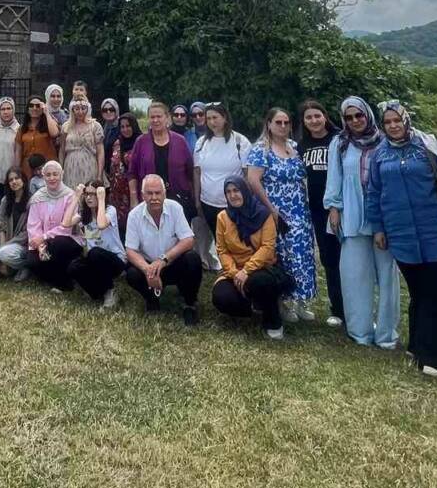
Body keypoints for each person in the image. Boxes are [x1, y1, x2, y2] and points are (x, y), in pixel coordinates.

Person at [365, 101, 437, 378]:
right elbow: (374, 193)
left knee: (436, 294)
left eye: (397, 121)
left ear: (406, 120)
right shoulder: (379, 155)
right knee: (418, 293)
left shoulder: (429, 147)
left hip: (434, 231)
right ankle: (418, 345)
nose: (393, 126)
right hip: (400, 234)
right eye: (387, 123)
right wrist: (378, 228)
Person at [323, 96, 398, 347]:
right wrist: (334, 208)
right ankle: (360, 332)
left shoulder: (386, 141)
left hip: (383, 216)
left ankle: (387, 334)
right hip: (352, 215)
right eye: (349, 117)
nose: (355, 121)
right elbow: (335, 177)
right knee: (354, 276)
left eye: (359, 115)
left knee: (387, 276)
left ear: (368, 115)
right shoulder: (340, 143)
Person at [246, 108, 318, 324]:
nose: (283, 126)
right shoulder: (261, 149)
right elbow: (253, 180)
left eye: (287, 122)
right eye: (278, 122)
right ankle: (283, 301)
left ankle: (301, 300)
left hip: (300, 210)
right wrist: (271, 209)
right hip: (276, 211)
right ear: (268, 124)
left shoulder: (295, 147)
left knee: (303, 254)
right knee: (283, 255)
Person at [211, 177, 290, 339]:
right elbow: (222, 250)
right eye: (228, 192)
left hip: (262, 268)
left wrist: (246, 271)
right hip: (234, 271)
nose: (233, 195)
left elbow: (268, 247)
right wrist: (234, 273)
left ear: (245, 191)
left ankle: (273, 320)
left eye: (236, 190)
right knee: (221, 298)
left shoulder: (263, 214)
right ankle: (255, 306)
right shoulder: (223, 218)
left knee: (259, 282)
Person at [123, 175, 201, 325]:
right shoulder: (134, 216)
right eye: (149, 193)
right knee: (132, 274)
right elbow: (130, 250)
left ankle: (189, 303)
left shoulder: (175, 208)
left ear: (164, 193)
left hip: (171, 263)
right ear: (142, 195)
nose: (154, 198)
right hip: (150, 266)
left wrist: (164, 260)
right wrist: (148, 270)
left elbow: (188, 240)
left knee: (193, 259)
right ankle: (151, 298)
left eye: (158, 193)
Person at [299, 99, 344, 328]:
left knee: (351, 259)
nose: (314, 120)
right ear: (304, 122)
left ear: (325, 116)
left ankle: (356, 308)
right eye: (309, 117)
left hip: (344, 209)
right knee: (329, 259)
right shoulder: (302, 146)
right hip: (317, 211)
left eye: (317, 115)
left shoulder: (339, 140)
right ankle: (338, 308)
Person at [192, 103, 253, 247]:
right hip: (208, 203)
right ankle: (226, 267)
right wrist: (197, 200)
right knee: (219, 241)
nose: (212, 122)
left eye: (215, 117)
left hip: (234, 203)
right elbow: (197, 172)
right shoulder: (201, 143)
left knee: (238, 241)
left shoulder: (240, 141)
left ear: (225, 118)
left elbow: (247, 174)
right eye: (209, 118)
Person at [65, 181, 127, 309]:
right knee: (73, 267)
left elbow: (101, 224)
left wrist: (102, 199)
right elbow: (65, 223)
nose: (89, 197)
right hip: (94, 260)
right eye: (87, 194)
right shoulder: (84, 214)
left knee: (95, 253)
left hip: (115, 260)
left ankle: (110, 291)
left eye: (93, 194)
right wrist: (76, 197)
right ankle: (97, 292)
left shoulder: (110, 210)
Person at [25, 161, 83, 292]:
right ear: (43, 176)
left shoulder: (70, 196)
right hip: (43, 242)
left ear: (62, 175)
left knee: (58, 244)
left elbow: (66, 228)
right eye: (48, 175)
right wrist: (40, 245)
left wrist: (44, 237)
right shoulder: (38, 197)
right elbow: (33, 224)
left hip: (67, 240)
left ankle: (63, 282)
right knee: (31, 262)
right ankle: (54, 276)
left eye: (55, 174)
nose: (52, 178)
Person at [127, 102, 195, 212]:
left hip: (178, 199)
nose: (155, 120)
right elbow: (132, 173)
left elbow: (190, 172)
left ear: (167, 118)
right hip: (150, 200)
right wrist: (134, 198)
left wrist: (193, 199)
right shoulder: (141, 142)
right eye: (152, 117)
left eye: (159, 116)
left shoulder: (180, 141)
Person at [0, 168, 31, 279]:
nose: (14, 182)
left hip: (23, 244)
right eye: (10, 180)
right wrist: (3, 245)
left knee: (3, 254)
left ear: (24, 180)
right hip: (5, 241)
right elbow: (0, 222)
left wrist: (4, 248)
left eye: (17, 178)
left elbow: (27, 232)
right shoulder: (5, 200)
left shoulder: (32, 201)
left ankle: (26, 266)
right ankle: (10, 265)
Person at [105, 112, 140, 240]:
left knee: (134, 221)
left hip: (133, 190)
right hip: (117, 192)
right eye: (122, 126)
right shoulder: (117, 143)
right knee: (119, 225)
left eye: (128, 126)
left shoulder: (140, 142)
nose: (125, 129)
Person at [60, 98, 105, 189]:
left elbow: (100, 152)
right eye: (77, 109)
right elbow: (62, 150)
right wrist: (60, 171)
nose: (80, 112)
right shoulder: (66, 127)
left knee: (89, 192)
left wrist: (99, 175)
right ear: (72, 110)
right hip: (70, 167)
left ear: (88, 109)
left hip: (89, 165)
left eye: (83, 108)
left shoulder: (95, 126)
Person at [17, 96, 59, 180]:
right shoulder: (22, 128)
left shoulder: (49, 123)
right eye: (31, 106)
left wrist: (46, 112)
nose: (34, 108)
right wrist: (17, 171)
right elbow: (18, 152)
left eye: (38, 106)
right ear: (27, 109)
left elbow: (54, 133)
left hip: (46, 168)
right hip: (27, 169)